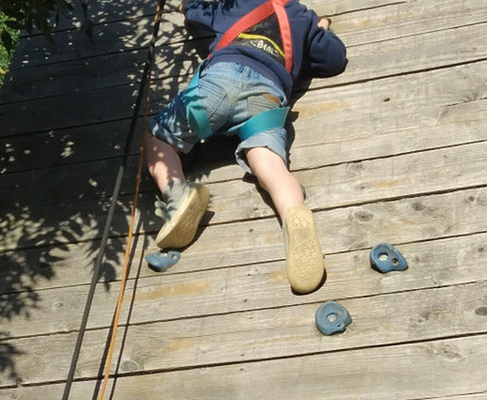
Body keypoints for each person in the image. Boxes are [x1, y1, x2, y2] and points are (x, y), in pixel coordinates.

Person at [144, 0, 348, 294]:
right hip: (266, 95)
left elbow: (196, 13)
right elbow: (334, 60)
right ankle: (293, 213)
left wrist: (186, 4)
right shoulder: (303, 18)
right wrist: (322, 29)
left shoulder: (237, 3)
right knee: (270, 165)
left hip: (218, 84)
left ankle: (177, 196)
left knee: (158, 137)